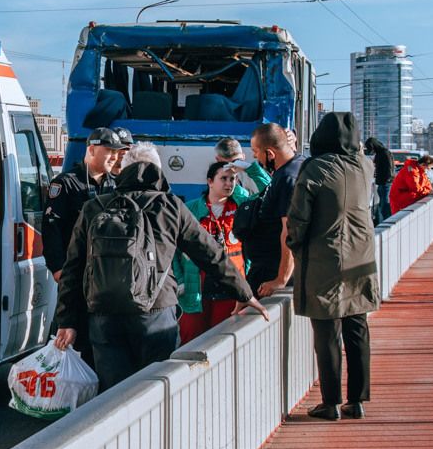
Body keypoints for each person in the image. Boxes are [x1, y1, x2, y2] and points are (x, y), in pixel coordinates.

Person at [52, 142, 268, 390]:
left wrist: (66, 321)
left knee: (112, 395)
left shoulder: (95, 207)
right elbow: (210, 254)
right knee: (157, 391)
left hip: (105, 315)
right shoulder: (170, 206)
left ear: (124, 169)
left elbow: (73, 268)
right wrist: (244, 292)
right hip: (156, 313)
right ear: (157, 170)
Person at [287, 112, 381, 421]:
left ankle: (330, 403)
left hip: (324, 257)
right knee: (357, 328)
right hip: (361, 256)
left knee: (327, 331)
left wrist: (294, 244)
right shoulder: (365, 167)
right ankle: (357, 400)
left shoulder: (316, 168)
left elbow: (299, 217)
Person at [43, 127, 126, 365]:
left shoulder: (116, 185)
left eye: (116, 152)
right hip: (76, 277)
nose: (114, 156)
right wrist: (59, 270)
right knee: (75, 341)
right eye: (109, 151)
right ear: (91, 149)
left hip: (105, 279)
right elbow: (52, 230)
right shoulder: (66, 184)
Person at [173, 161, 247, 344]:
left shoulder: (241, 208)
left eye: (233, 179)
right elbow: (173, 249)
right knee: (191, 341)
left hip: (229, 285)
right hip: (195, 285)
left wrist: (247, 169)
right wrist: (180, 280)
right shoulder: (190, 209)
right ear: (210, 182)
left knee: (222, 341)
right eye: (223, 178)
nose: (229, 184)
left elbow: (264, 192)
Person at [246, 123, 305, 298]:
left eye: (256, 152)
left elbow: (289, 231)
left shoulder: (287, 179)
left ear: (270, 153)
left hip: (273, 270)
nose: (255, 157)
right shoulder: (299, 164)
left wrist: (281, 279)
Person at [213, 136, 271, 204]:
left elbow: (271, 194)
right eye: (227, 164)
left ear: (243, 156)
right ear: (218, 160)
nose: (233, 167)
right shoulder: (215, 181)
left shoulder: (255, 177)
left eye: (237, 161)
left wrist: (252, 169)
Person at [363, 137, 395, 224]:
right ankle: (385, 221)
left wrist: (388, 180)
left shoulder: (385, 153)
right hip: (382, 182)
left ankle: (387, 222)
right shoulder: (380, 153)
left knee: (385, 205)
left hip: (386, 183)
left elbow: (389, 168)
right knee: (382, 205)